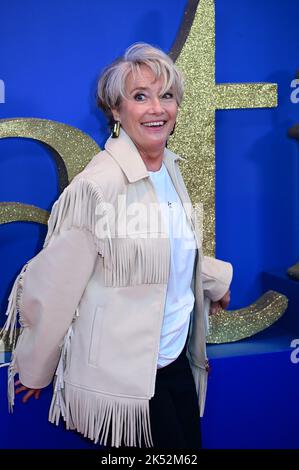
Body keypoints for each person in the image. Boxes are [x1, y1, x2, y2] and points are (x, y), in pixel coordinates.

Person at [0, 43, 232, 449]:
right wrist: (36, 369)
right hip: (126, 379)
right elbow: (56, 286)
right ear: (115, 110)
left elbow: (170, 247)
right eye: (140, 97)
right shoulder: (97, 186)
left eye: (167, 96)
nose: (157, 108)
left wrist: (214, 281)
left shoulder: (169, 168)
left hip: (175, 358)